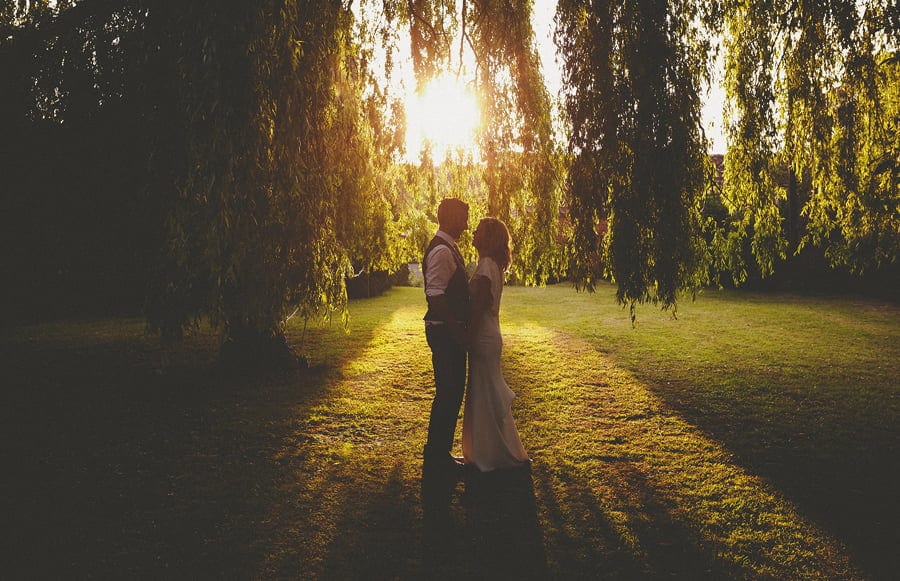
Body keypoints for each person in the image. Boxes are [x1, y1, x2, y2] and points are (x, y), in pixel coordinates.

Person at [462, 217, 529, 472]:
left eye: (478, 230)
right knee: (484, 391)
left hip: (483, 335)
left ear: (488, 238)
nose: (473, 233)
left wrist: (469, 335)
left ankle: (490, 454)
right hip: (490, 334)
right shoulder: (492, 265)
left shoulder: (487, 265)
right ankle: (486, 450)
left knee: (484, 392)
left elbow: (478, 306)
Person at [422, 198, 470, 476]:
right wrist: (458, 332)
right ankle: (436, 457)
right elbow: (436, 296)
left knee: (451, 394)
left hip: (447, 332)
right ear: (450, 218)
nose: (466, 224)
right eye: (463, 218)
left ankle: (440, 454)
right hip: (445, 334)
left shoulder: (448, 246)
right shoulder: (441, 251)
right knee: (448, 394)